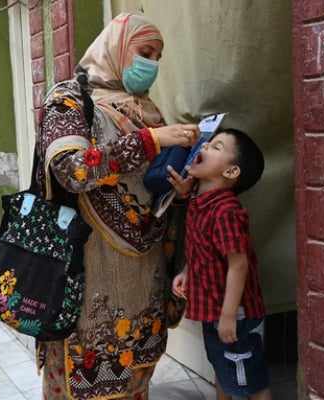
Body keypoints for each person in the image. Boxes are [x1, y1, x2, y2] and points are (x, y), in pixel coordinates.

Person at [36, 13, 200, 399]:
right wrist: (151, 140)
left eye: (158, 57)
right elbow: (70, 170)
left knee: (136, 380)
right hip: (88, 274)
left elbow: (150, 189)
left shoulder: (147, 111)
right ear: (116, 48)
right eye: (145, 53)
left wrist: (180, 186)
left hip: (145, 277)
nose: (152, 65)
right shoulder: (68, 100)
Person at [169, 128, 272, 400]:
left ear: (231, 172)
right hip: (214, 312)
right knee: (223, 370)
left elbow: (238, 265)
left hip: (235, 316)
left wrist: (228, 316)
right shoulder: (199, 202)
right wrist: (187, 272)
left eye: (216, 147)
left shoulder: (226, 211)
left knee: (250, 382)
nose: (203, 147)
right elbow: (203, 249)